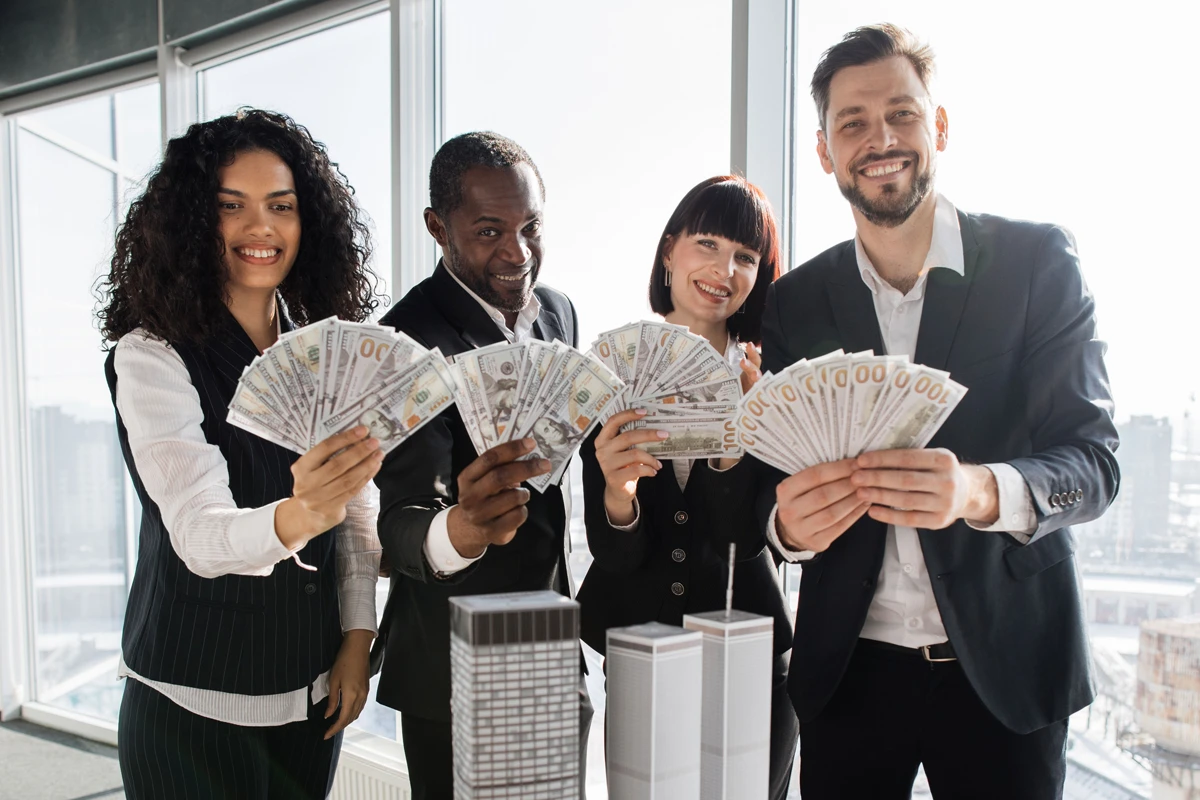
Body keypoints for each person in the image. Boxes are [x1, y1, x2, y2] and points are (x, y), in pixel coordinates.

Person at [757, 25, 1120, 799]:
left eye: (902, 113)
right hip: (847, 678)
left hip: (1006, 669)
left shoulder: (1037, 264)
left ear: (940, 126)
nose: (879, 138)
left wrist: (980, 491)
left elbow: (1094, 461)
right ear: (824, 152)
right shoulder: (794, 303)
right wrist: (785, 529)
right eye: (851, 122)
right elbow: (769, 482)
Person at [96, 109, 384, 799]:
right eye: (233, 207)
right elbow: (197, 533)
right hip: (187, 704)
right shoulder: (152, 354)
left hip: (311, 696)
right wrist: (299, 513)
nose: (262, 228)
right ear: (196, 223)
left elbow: (359, 508)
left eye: (280, 207)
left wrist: (355, 638)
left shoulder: (322, 345)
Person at [371, 131, 592, 799]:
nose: (516, 252)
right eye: (491, 230)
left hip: (550, 644)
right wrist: (460, 527)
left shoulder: (559, 312)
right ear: (438, 228)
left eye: (531, 227)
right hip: (449, 664)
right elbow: (397, 524)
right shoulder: (403, 342)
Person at [577, 175, 799, 800]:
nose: (724, 269)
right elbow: (614, 553)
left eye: (746, 257)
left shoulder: (769, 379)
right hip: (642, 647)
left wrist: (743, 444)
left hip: (750, 658)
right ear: (670, 250)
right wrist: (618, 495)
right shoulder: (614, 369)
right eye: (706, 243)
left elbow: (750, 537)